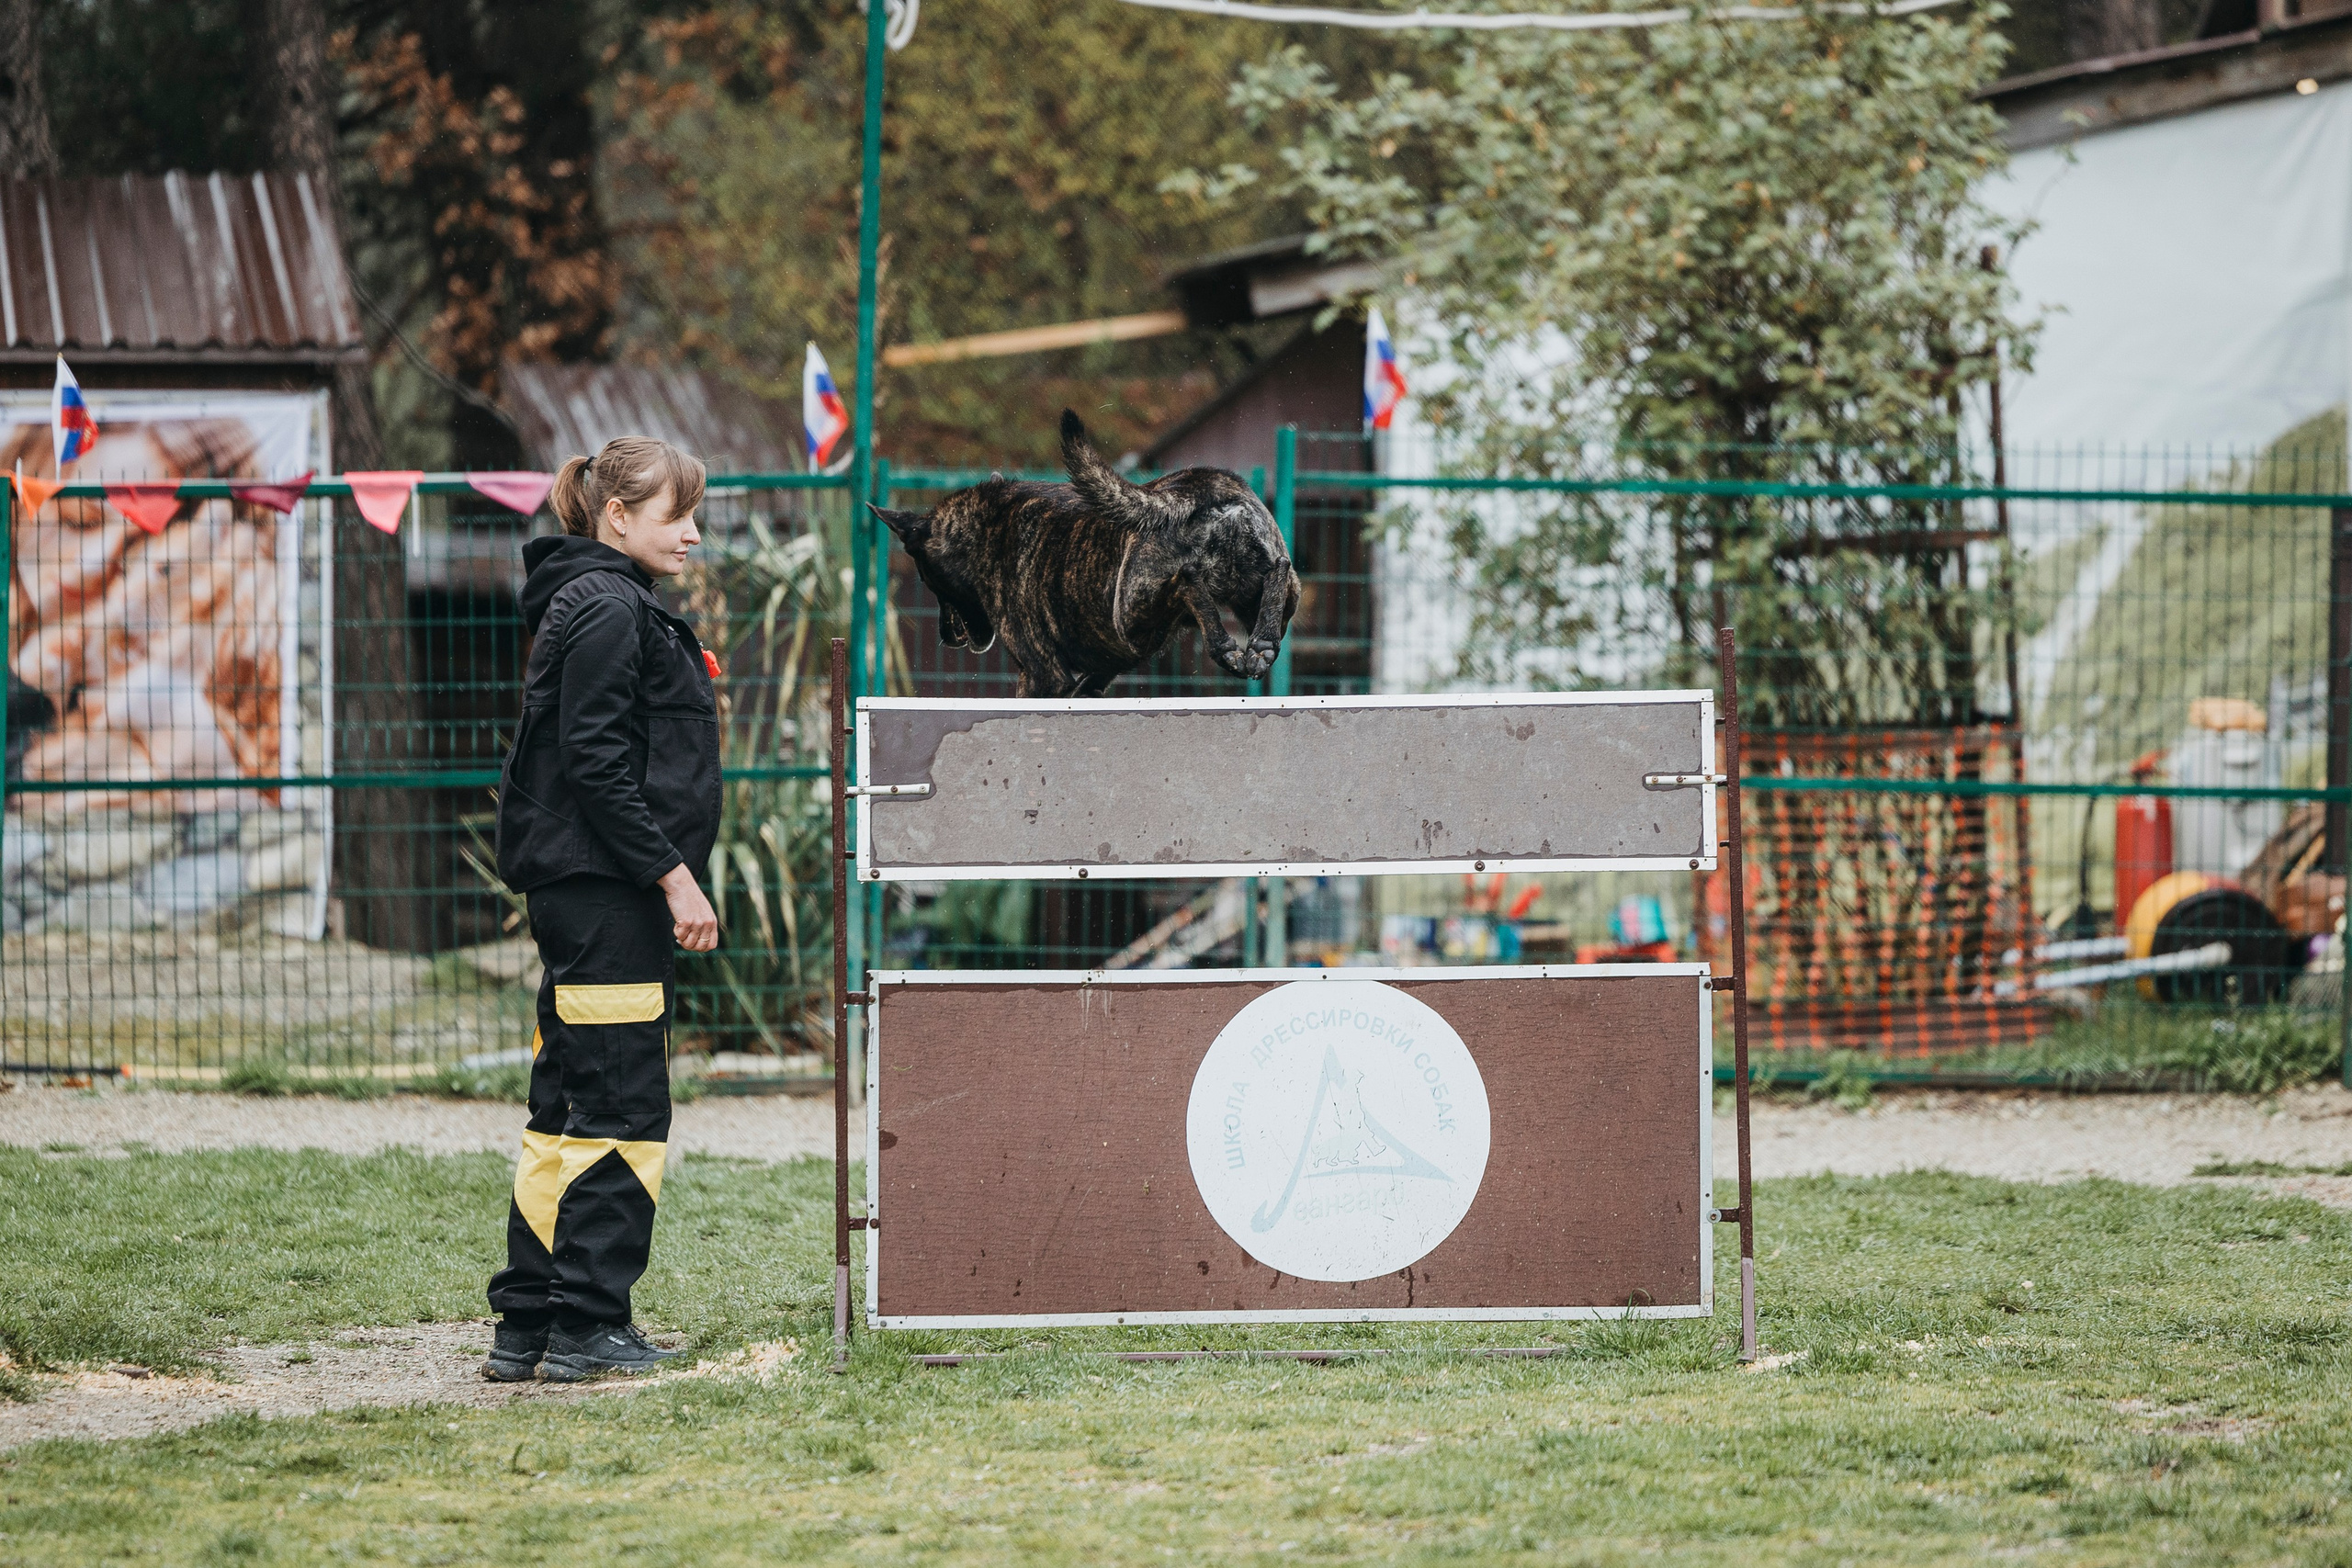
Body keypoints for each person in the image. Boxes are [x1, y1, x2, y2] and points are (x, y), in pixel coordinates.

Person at [482, 435, 722, 1382]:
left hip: (581, 894)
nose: (693, 535)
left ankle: (528, 1324)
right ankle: (586, 1322)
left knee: (566, 1107)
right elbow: (595, 765)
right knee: (621, 1104)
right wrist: (673, 875)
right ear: (616, 516)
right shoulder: (610, 611)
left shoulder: (588, 603)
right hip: (608, 896)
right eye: (676, 515)